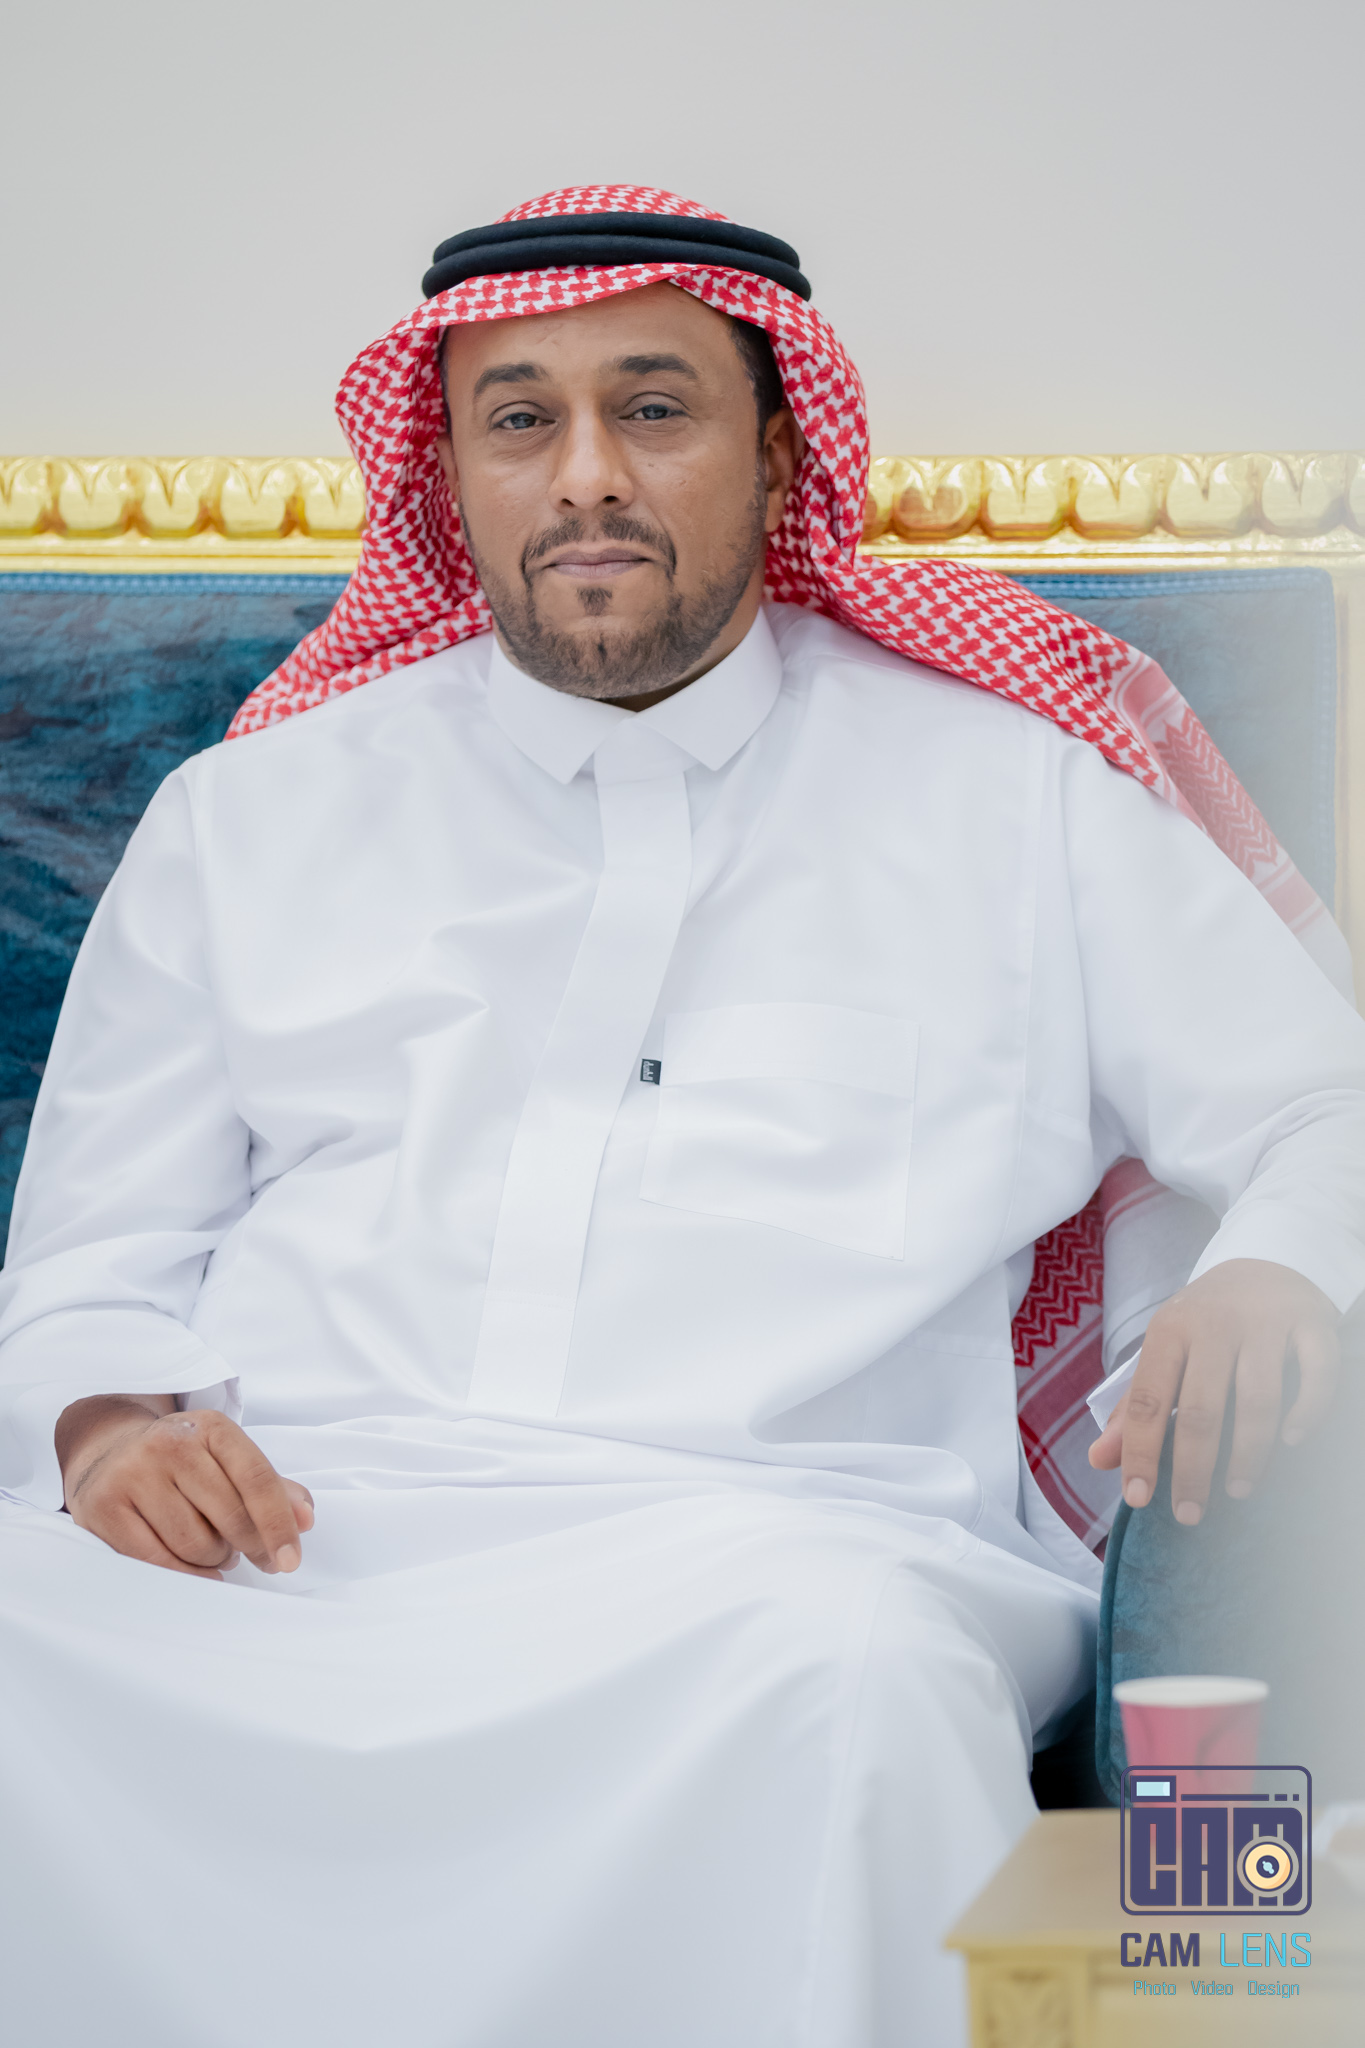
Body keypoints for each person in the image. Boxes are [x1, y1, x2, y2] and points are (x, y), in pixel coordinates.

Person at [1, 186, 1362, 2048]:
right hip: (290, 1553)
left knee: (854, 1693)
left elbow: (1321, 1098)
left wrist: (1270, 1272)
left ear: (777, 449)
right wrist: (103, 1432)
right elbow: (89, 1259)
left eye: (652, 408)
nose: (585, 476)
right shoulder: (249, 820)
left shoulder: (1014, 803)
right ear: (446, 474)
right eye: (519, 420)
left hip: (766, 1574)